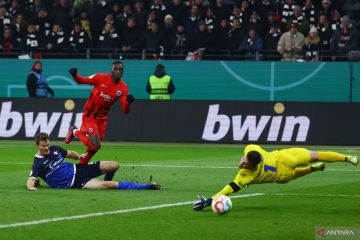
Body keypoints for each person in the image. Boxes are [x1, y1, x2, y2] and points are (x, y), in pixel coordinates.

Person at [193, 144, 358, 211]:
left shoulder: (247, 175)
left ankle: (341, 161)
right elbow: (229, 188)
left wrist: (209, 201)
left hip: (283, 169)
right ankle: (346, 158)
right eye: (243, 160)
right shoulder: (251, 153)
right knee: (312, 158)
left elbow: (228, 189)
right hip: (284, 162)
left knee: (301, 168)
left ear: (252, 166)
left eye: (245, 164)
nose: (242, 164)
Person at [27, 132, 162, 191]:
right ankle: (149, 186)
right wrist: (31, 187)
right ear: (37, 146)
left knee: (114, 165)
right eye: (43, 146)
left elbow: (70, 153)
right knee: (109, 185)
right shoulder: (38, 163)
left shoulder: (55, 149)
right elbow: (30, 180)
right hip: (77, 183)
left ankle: (104, 180)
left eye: (47, 145)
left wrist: (78, 156)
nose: (46, 148)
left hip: (80, 169)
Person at [64, 61, 135, 170]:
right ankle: (75, 131)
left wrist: (128, 103)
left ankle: (79, 169)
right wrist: (74, 75)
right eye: (115, 69)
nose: (118, 72)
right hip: (90, 115)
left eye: (120, 70)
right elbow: (81, 80)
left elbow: (125, 110)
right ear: (111, 70)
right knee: (96, 145)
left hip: (102, 118)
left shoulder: (123, 88)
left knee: (93, 149)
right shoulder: (100, 77)